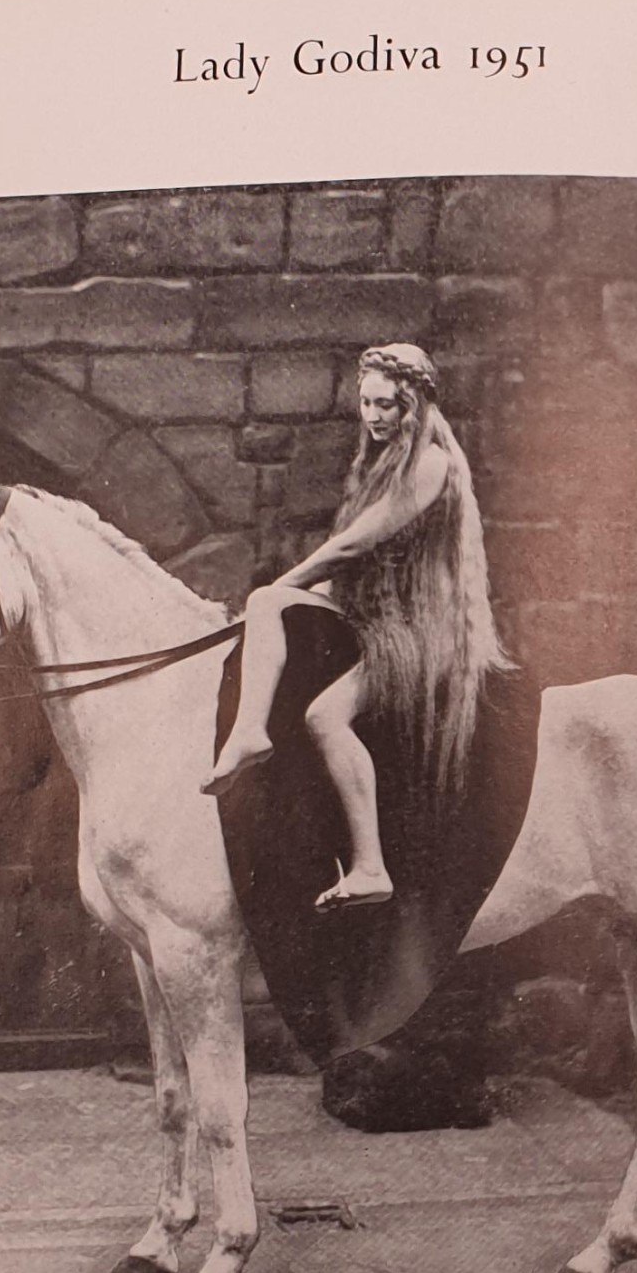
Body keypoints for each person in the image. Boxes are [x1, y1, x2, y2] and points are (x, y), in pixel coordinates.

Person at [202, 342, 510, 910]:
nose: (373, 416)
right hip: (380, 614)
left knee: (325, 715)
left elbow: (355, 544)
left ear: (412, 405)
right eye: (366, 403)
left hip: (421, 630)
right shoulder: (383, 463)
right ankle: (250, 731)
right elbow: (355, 567)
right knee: (268, 604)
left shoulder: (432, 464)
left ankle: (371, 866)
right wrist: (285, 600)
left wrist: (293, 583)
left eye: (387, 405)